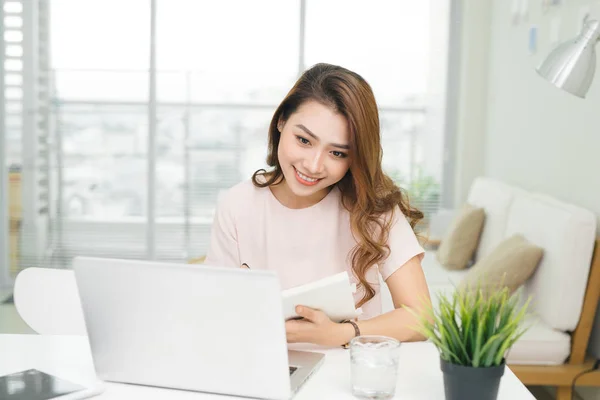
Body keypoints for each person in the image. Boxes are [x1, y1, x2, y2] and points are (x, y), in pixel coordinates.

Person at [204, 63, 432, 347]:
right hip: (261, 367)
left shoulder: (374, 208)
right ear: (280, 122)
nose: (313, 166)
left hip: (347, 376)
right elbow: (215, 311)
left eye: (337, 152)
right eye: (303, 140)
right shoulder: (238, 205)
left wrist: (343, 333)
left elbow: (421, 317)